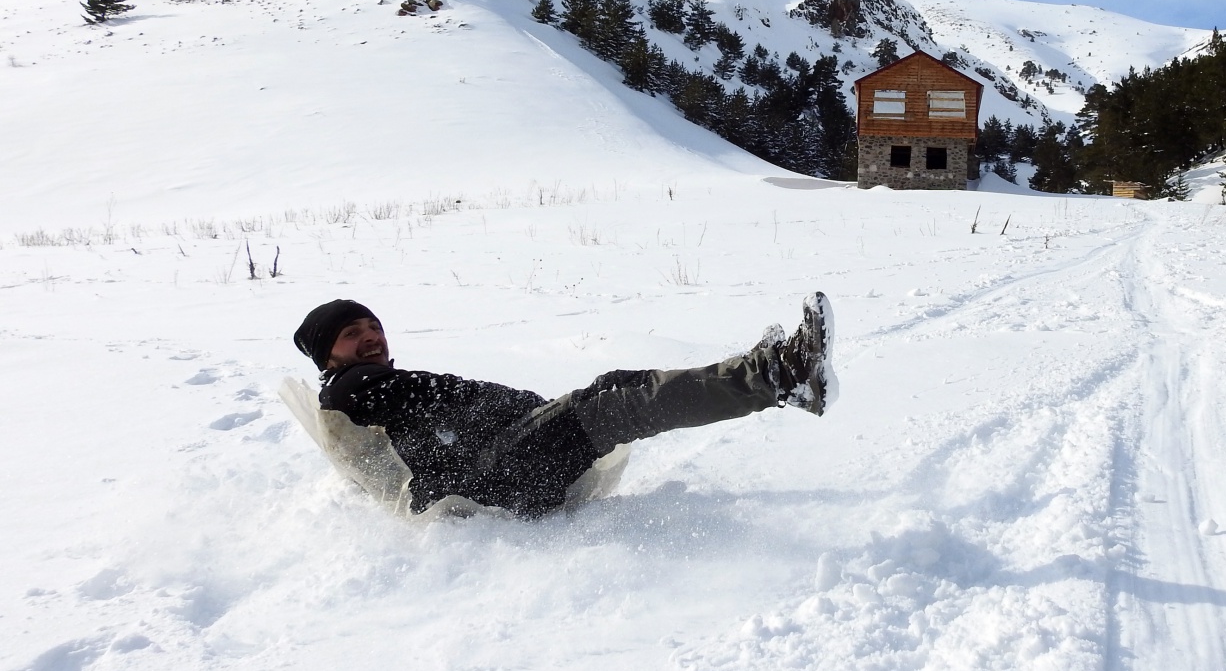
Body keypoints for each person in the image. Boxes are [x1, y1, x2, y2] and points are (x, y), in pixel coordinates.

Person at [287, 294, 835, 518]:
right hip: (491, 480)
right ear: (327, 354)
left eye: (374, 327)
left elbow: (451, 411)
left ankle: (771, 373)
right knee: (614, 402)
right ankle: (780, 375)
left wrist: (536, 414)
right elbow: (459, 399)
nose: (370, 338)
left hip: (490, 477)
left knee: (610, 398)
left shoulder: (365, 391)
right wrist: (535, 410)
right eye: (352, 333)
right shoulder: (351, 388)